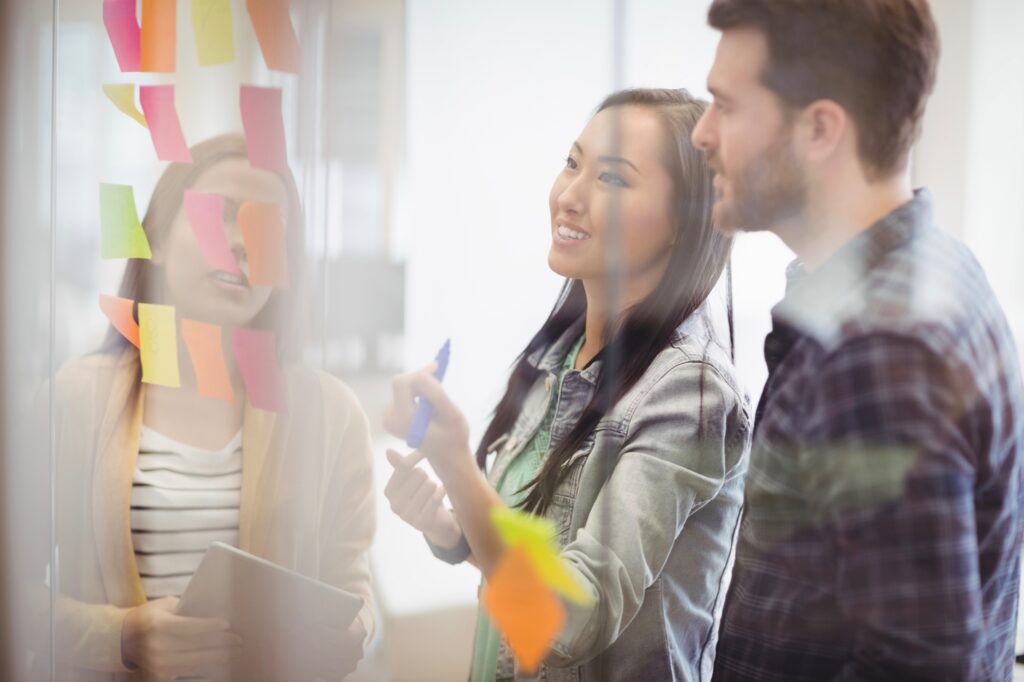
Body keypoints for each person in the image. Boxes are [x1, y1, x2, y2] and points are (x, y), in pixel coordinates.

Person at [690, 1, 1024, 679]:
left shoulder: (877, 349)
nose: (702, 133)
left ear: (819, 129)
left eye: (725, 106)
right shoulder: (935, 264)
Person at [384, 88, 751, 680]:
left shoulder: (693, 395)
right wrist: (450, 530)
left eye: (612, 179)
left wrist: (457, 464)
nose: (570, 196)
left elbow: (565, 624)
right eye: (573, 163)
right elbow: (524, 558)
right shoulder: (561, 353)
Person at [48, 134, 376, 680]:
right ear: (156, 233)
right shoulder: (75, 397)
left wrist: (352, 635)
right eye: (218, 215)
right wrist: (122, 637)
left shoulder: (329, 413)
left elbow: (354, 588)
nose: (243, 244)